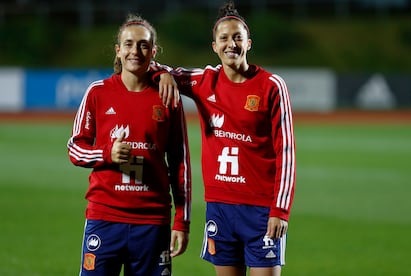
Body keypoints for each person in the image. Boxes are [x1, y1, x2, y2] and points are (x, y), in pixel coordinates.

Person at [157, 1, 296, 275]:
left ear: (249, 43)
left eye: (237, 37)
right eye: (224, 38)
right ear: (214, 46)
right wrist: (163, 73)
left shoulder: (271, 86)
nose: (231, 44)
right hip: (220, 207)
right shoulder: (203, 81)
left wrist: (280, 210)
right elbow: (154, 68)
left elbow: (287, 153)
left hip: (261, 210)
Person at [67, 13, 192, 276]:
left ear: (153, 51)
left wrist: (182, 221)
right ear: (118, 50)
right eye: (128, 44)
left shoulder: (169, 97)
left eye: (143, 45)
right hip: (104, 217)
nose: (135, 51)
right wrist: (107, 153)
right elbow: (75, 149)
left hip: (152, 221)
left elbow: (180, 164)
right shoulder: (97, 92)